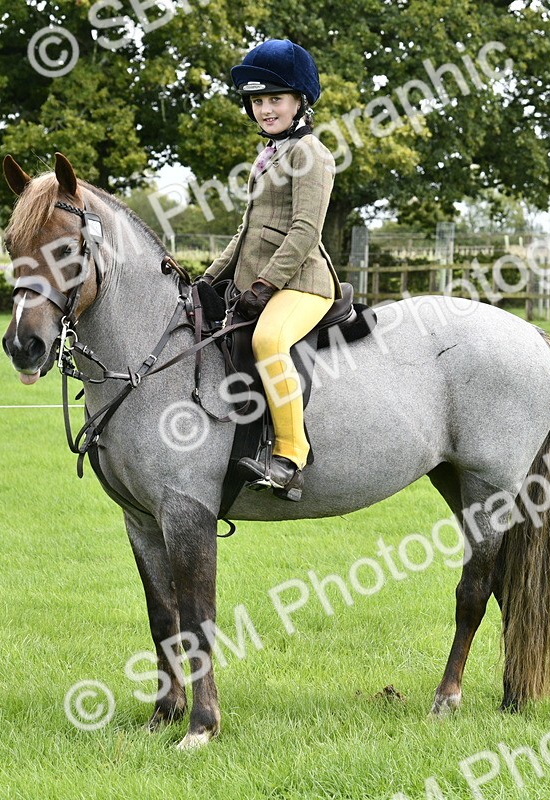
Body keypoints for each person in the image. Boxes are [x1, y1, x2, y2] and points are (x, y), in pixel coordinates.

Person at [200, 38, 342, 502]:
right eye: (258, 101)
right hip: (261, 284)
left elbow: (304, 231)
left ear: (300, 101)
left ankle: (290, 457)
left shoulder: (311, 154)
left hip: (304, 283)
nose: (265, 109)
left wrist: (264, 284)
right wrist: (208, 277)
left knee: (267, 340)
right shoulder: (267, 157)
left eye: (274, 99)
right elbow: (246, 233)